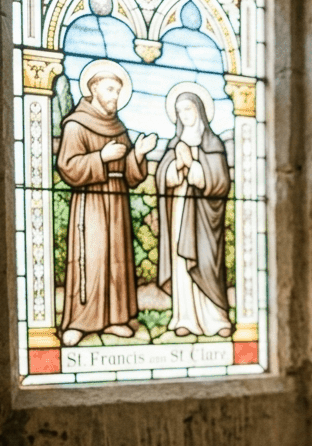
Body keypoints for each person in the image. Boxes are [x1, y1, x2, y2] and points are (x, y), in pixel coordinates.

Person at [57, 60, 157, 346]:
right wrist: (101, 157)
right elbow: (68, 166)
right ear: (94, 88)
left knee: (118, 258)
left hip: (118, 198)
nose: (115, 96)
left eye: (118, 91)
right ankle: (80, 321)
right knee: (92, 257)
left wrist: (138, 153)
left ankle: (115, 319)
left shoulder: (118, 126)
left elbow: (131, 173)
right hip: (92, 200)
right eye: (110, 89)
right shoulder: (77, 125)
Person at [156, 84, 233, 339]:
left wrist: (196, 167)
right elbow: (162, 179)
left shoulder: (213, 143)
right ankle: (185, 318)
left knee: (208, 261)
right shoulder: (174, 143)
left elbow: (221, 181)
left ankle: (217, 316)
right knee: (181, 262)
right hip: (180, 209)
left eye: (188, 109)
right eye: (179, 111)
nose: (184, 115)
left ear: (199, 110)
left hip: (205, 215)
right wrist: (176, 167)